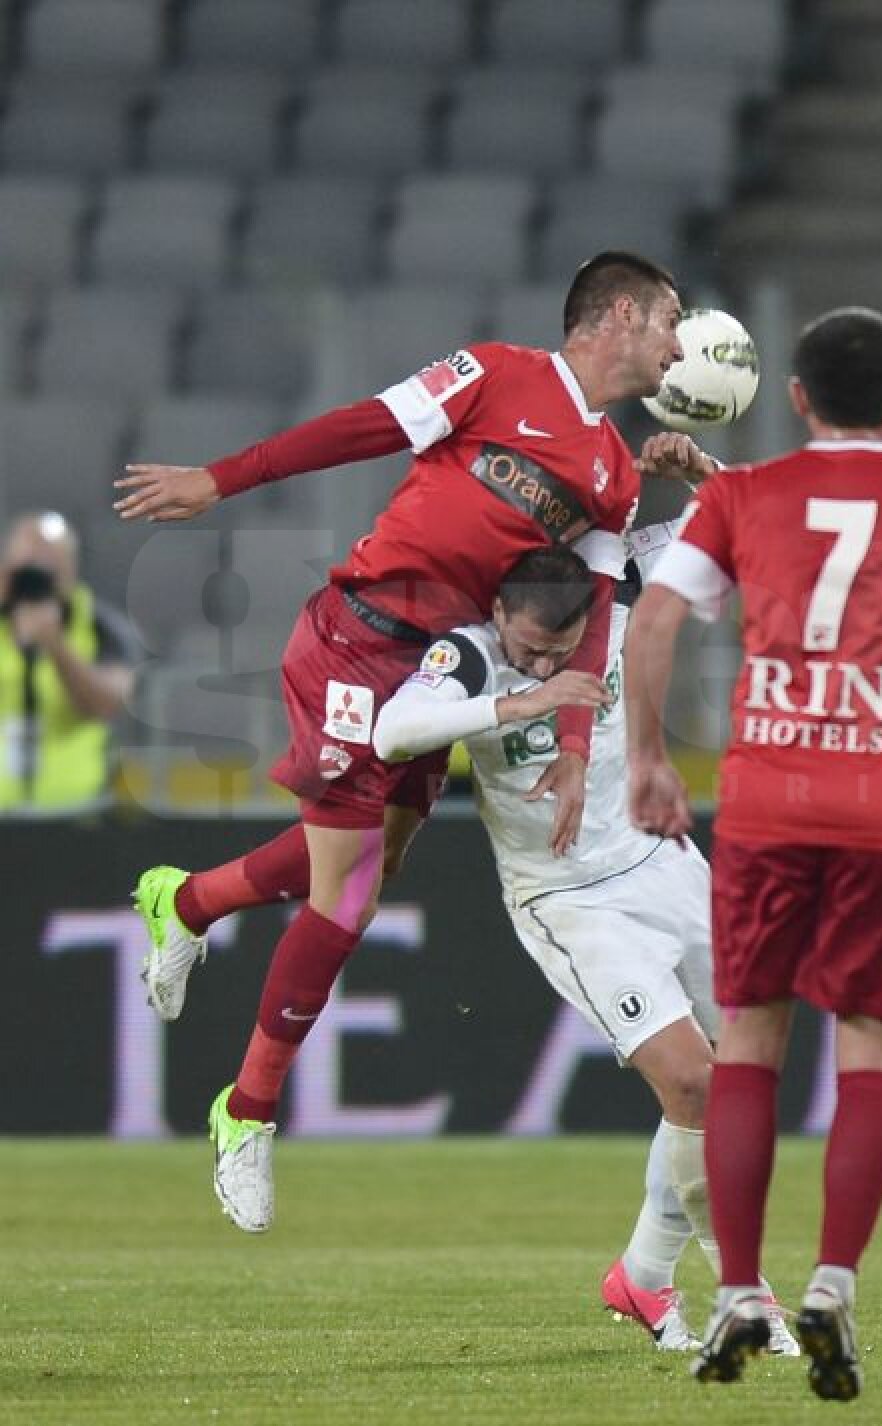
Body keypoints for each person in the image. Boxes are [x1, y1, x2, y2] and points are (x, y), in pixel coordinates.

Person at [118, 252, 685, 1232]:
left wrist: (573, 745)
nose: (680, 347)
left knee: (367, 867)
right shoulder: (496, 373)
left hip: (442, 666)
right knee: (347, 893)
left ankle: (189, 900)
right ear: (622, 314)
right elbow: (365, 426)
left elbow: (595, 613)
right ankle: (246, 1111)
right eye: (673, 321)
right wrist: (222, 479)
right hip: (357, 635)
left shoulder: (613, 472)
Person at [624, 307, 882, 1399]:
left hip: (767, 805)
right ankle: (834, 1284)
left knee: (750, 1042)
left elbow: (653, 622)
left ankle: (738, 1290)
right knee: (869, 1049)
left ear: (797, 398)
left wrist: (649, 760)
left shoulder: (741, 498)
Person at [370, 533, 798, 1357]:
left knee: (744, 1077)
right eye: (530, 649)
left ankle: (643, 1274)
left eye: (558, 653)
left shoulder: (615, 593)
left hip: (662, 860)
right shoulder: (470, 655)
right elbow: (395, 733)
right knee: (693, 1081)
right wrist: (519, 702)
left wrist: (698, 468)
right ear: (500, 613)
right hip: (570, 899)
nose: (542, 665)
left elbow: (723, 520)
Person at [0, 510, 136, 811]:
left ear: (70, 569)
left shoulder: (100, 627)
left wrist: (56, 645)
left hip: (76, 813)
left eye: (49, 567)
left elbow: (106, 705)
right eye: (28, 568)